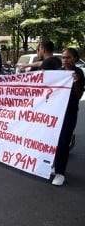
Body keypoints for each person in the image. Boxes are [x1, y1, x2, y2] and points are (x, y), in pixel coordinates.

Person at [51, 48, 85, 186]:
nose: (65, 60)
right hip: (56, 112)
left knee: (63, 142)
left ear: (75, 59)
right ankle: (54, 165)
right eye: (63, 57)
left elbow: (78, 95)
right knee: (53, 141)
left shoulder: (78, 73)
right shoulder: (58, 73)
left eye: (68, 57)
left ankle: (60, 173)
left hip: (69, 114)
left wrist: (76, 83)